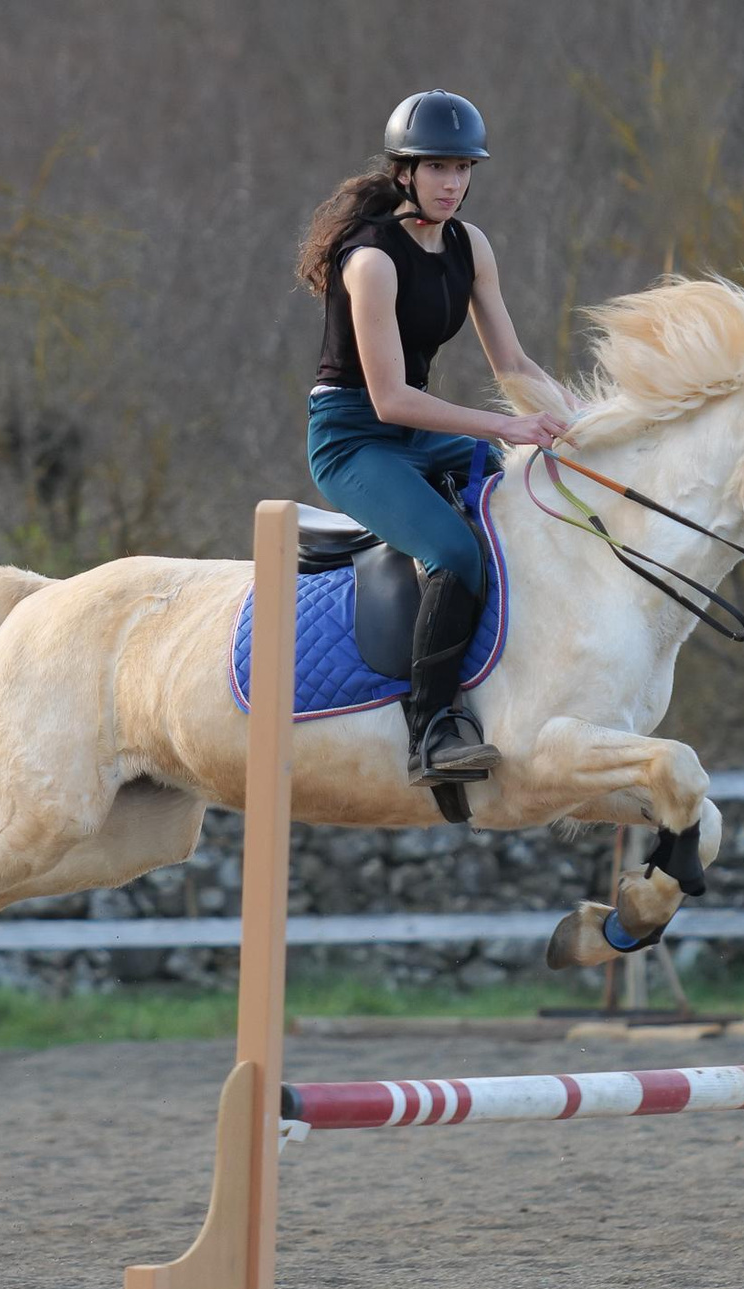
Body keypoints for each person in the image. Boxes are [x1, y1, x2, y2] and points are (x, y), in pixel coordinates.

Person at [296, 89, 577, 784]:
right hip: (354, 439)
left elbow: (510, 364)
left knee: (527, 492)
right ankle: (431, 733)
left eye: (463, 168)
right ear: (404, 173)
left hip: (419, 431)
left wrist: (582, 422)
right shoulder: (371, 260)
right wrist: (507, 424)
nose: (453, 183)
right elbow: (390, 400)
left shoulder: (469, 245)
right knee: (454, 550)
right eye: (438, 168)